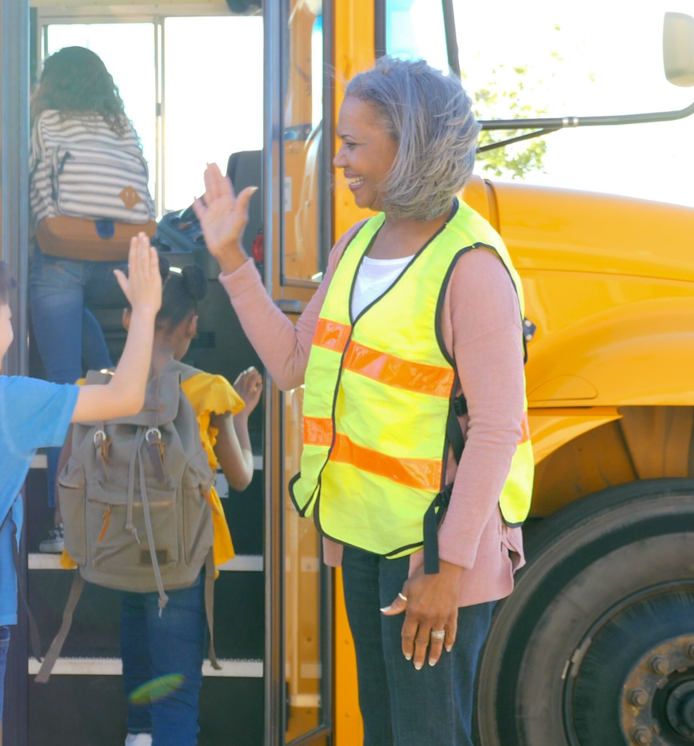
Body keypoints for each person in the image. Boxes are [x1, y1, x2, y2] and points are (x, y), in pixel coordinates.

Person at [193, 56, 533, 745]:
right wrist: (232, 258)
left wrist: (446, 569)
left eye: (353, 144)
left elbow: (499, 429)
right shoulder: (358, 242)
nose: (338, 161)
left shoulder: (473, 267)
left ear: (410, 146)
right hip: (363, 539)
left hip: (432, 555)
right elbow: (292, 365)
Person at [0, 234, 164, 746]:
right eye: (7, 319)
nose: (11, 331)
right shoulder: (5, 400)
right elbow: (125, 396)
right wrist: (147, 309)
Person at [111, 268, 263, 746]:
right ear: (192, 325)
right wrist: (239, 420)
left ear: (126, 317)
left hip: (116, 549)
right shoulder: (208, 389)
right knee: (176, 700)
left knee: (139, 699)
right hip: (179, 558)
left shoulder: (102, 386)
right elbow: (240, 479)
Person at [28, 46, 155, 553]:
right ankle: (124, 494)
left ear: (50, 82)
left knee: (63, 387)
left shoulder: (46, 120)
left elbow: (30, 182)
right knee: (105, 374)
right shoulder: (120, 124)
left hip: (62, 247)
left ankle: (65, 519)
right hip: (118, 256)